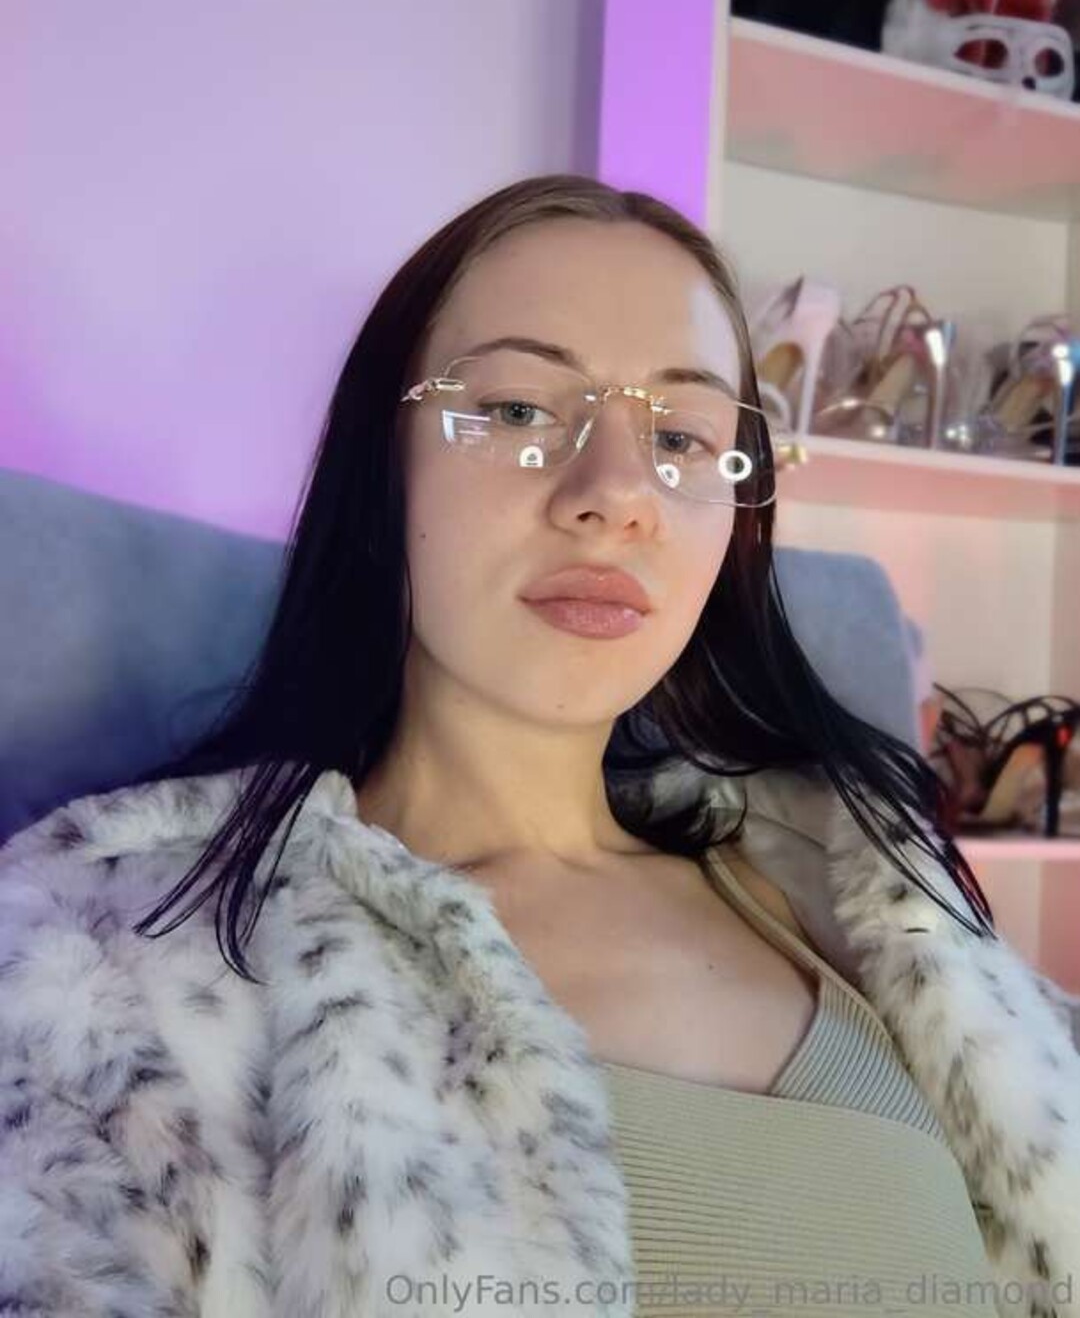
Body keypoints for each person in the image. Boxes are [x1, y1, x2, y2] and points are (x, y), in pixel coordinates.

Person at [1, 175, 1077, 1318]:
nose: (616, 495)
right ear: (383, 466)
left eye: (681, 435)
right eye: (517, 411)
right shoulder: (121, 979)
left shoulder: (870, 911)